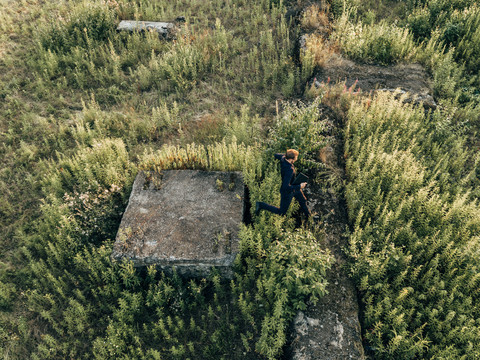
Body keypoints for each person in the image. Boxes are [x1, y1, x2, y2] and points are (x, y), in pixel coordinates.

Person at [255, 149, 311, 218]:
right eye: (296, 157)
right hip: (287, 192)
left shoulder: (283, 158)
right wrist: (300, 186)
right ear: (291, 159)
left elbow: (276, 155)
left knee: (303, 200)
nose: (297, 158)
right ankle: (261, 205)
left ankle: (309, 216)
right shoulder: (289, 171)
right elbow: (285, 187)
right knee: (281, 212)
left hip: (294, 186)